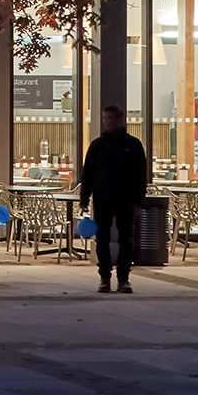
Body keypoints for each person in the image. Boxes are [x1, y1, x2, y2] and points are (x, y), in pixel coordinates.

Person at [80, 105, 150, 294]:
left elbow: (141, 176)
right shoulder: (97, 145)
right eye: (104, 118)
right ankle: (104, 277)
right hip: (103, 199)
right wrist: (84, 199)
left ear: (120, 120)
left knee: (126, 239)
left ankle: (124, 278)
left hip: (126, 199)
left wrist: (138, 202)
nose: (107, 122)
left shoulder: (133, 145)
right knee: (102, 238)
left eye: (110, 118)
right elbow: (87, 173)